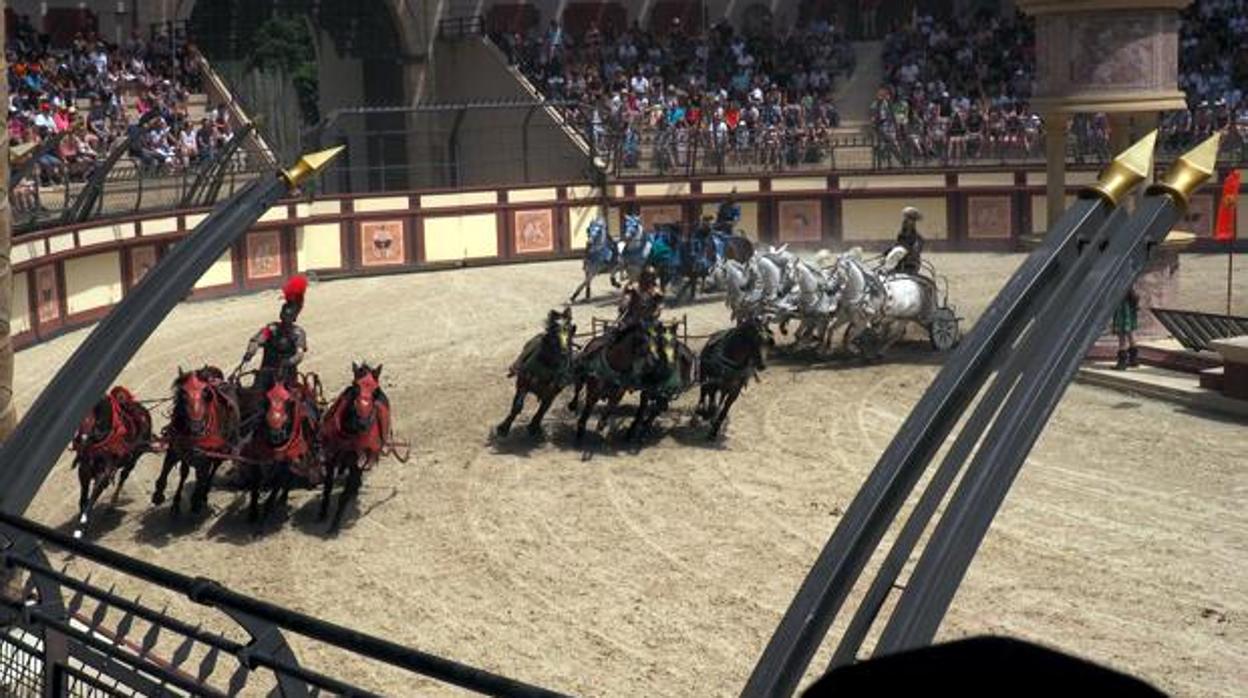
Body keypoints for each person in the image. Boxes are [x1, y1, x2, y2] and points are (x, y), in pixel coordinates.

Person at [242, 275, 309, 392]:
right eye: (284, 314)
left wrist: (287, 362)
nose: (285, 317)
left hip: (287, 377)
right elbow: (257, 340)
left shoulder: (298, 333)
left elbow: (299, 355)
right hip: (265, 374)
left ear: (294, 317)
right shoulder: (272, 328)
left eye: (289, 315)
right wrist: (251, 351)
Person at [1112, 288, 1140, 371]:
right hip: (1130, 302)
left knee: (1122, 335)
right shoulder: (1131, 294)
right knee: (1131, 333)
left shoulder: (1120, 291)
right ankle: (1133, 360)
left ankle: (1122, 363)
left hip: (1122, 307)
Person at [895, 206, 925, 274]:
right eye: (905, 218)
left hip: (910, 265)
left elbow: (915, 252)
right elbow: (897, 246)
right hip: (899, 263)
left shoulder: (918, 239)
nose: (905, 221)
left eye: (908, 219)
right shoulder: (901, 235)